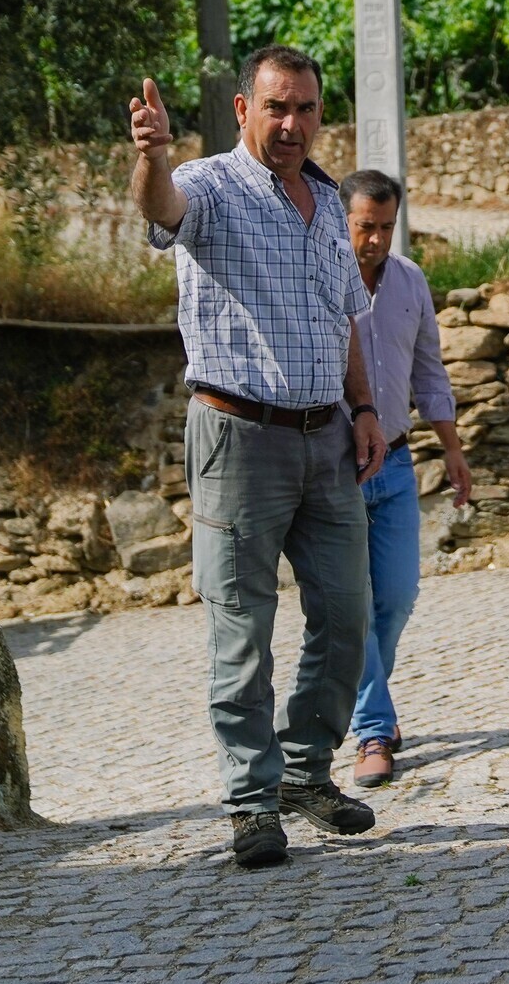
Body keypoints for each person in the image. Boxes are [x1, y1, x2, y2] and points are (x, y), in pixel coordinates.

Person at [129, 46, 388, 871]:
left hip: (326, 438)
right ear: (244, 109)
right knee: (242, 628)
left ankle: (306, 773)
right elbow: (160, 208)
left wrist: (365, 408)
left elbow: (345, 318)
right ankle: (251, 801)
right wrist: (151, 155)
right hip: (238, 438)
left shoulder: (328, 199)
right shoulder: (206, 186)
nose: (291, 124)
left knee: (347, 616)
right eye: (276, 107)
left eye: (305, 108)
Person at [339, 169, 474, 789]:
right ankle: (373, 729)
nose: (375, 240)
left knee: (396, 596)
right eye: (365, 226)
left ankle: (365, 701)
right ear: (342, 220)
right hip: (335, 467)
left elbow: (429, 372)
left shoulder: (411, 280)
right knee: (355, 604)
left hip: (394, 461)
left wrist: (452, 450)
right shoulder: (321, 278)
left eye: (386, 227)